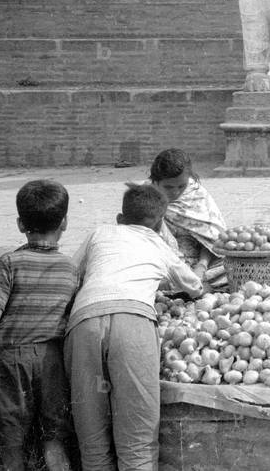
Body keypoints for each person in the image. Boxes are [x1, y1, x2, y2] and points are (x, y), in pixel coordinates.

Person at [65, 184, 203, 471]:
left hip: (84, 323)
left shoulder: (100, 232)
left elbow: (69, 275)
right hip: (133, 324)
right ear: (161, 223)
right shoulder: (159, 245)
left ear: (120, 217)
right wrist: (200, 265)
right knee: (137, 442)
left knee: (92, 443)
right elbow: (194, 286)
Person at [0, 180, 77, 471]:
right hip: (52, 362)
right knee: (54, 440)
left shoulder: (9, 262)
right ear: (66, 222)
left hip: (8, 363)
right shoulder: (70, 268)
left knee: (11, 444)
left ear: (20, 224)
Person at [148, 148, 228, 291]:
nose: (176, 192)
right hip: (163, 264)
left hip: (201, 261)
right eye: (168, 187)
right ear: (155, 181)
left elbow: (212, 238)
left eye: (181, 186)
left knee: (233, 266)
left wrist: (201, 266)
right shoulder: (145, 198)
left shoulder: (196, 194)